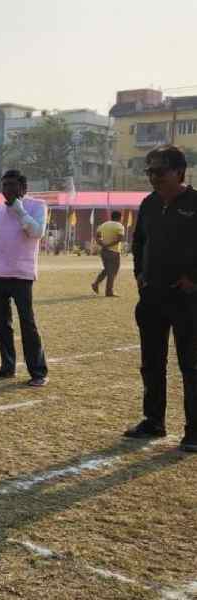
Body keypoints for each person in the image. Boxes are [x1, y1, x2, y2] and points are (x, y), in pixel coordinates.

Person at [124, 146, 197, 452]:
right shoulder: (149, 204)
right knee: (151, 364)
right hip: (152, 296)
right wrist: (140, 274)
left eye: (160, 171)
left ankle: (194, 431)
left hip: (187, 299)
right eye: (149, 171)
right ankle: (153, 420)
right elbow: (139, 243)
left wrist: (194, 279)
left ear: (179, 172)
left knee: (191, 366)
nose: (154, 177)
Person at [0, 169, 48, 387]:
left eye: (12, 185)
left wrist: (19, 210)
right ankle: (7, 366)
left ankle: (38, 372)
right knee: (1, 323)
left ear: (23, 188)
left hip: (21, 275)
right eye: (4, 185)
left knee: (27, 323)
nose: (7, 189)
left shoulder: (37, 206)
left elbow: (37, 232)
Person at [91, 210, 124, 297]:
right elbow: (120, 239)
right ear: (119, 217)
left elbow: (97, 237)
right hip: (114, 252)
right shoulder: (119, 226)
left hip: (104, 251)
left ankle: (95, 284)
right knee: (112, 271)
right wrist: (109, 245)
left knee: (107, 270)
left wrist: (103, 244)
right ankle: (109, 291)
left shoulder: (104, 225)